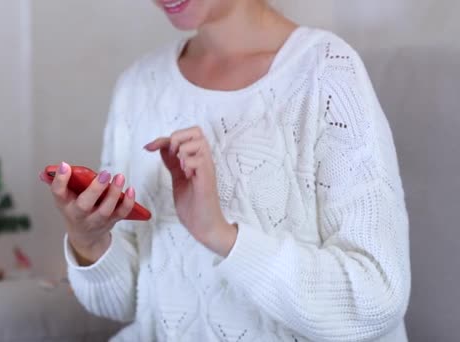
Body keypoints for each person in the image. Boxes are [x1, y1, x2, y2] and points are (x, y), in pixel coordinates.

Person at [39, 0, 411, 340]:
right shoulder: (138, 87)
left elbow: (376, 298)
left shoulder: (325, 73)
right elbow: (123, 304)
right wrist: (89, 243)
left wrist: (220, 234)